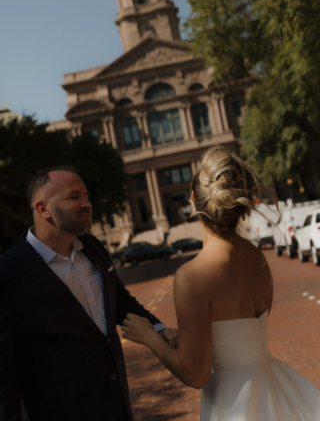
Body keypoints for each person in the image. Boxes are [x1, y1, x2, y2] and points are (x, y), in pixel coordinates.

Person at [122, 146, 320, 421]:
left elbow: (194, 374)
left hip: (233, 403)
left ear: (193, 199)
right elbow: (243, 333)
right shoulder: (257, 258)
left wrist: (149, 338)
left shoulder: (192, 276)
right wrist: (190, 337)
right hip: (274, 386)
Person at [0, 167, 177, 421]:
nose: (87, 203)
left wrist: (160, 329)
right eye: (74, 197)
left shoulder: (93, 248)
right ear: (43, 208)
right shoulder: (8, 272)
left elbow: (121, 303)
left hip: (117, 405)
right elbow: (4, 371)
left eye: (86, 195)